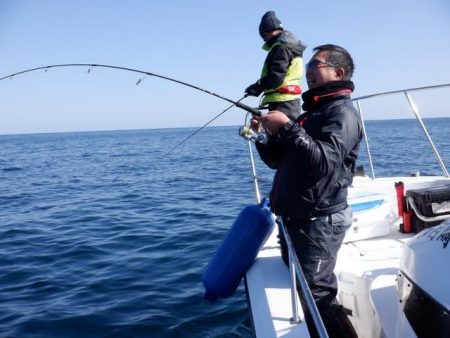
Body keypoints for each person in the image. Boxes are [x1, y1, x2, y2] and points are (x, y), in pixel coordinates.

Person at [251, 44, 362, 338]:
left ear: (339, 72)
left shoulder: (342, 114)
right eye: (309, 64)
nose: (309, 70)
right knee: (305, 286)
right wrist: (264, 135)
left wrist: (287, 126)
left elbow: (324, 162)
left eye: (317, 64)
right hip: (297, 218)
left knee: (318, 298)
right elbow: (279, 161)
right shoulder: (311, 114)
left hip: (318, 222)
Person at [245, 11, 306, 121]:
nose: (264, 40)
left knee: (283, 136)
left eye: (263, 36)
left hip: (283, 102)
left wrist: (257, 87)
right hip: (289, 101)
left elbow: (276, 77)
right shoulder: (289, 44)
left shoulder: (281, 47)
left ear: (266, 32)